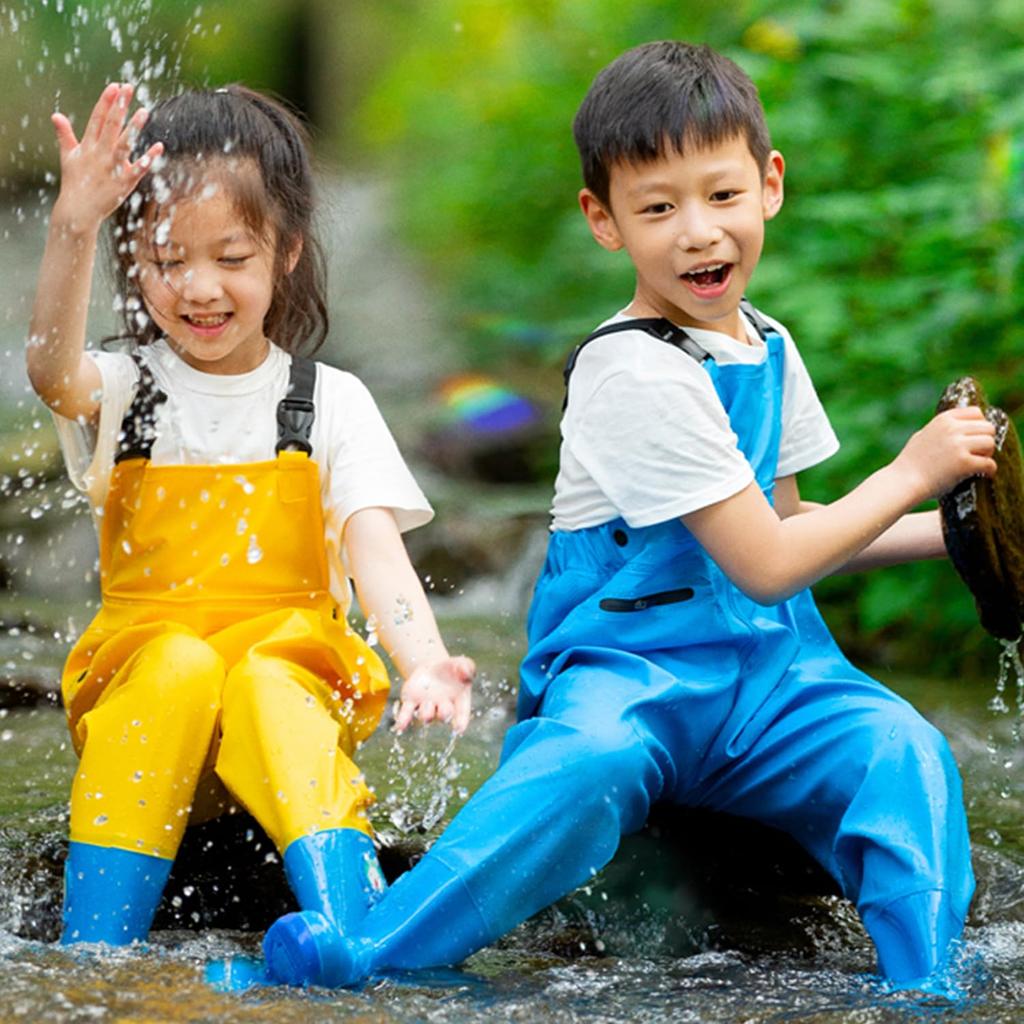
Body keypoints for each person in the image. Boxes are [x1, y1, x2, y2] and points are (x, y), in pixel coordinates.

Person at [256, 41, 997, 991]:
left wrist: (951, 536)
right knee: (588, 762)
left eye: (722, 196)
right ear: (603, 221)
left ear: (769, 185)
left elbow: (795, 523)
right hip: (628, 670)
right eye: (658, 208)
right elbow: (768, 559)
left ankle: (926, 985)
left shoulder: (767, 343)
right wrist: (911, 471)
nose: (699, 233)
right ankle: (377, 946)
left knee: (907, 752)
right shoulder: (631, 368)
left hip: (774, 673)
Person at [26, 82, 475, 948]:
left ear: (286, 252)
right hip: (152, 702)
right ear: (133, 258)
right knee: (182, 665)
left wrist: (422, 660)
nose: (200, 288)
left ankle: (354, 931)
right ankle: (95, 950)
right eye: (167, 260)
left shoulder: (326, 401)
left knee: (267, 679)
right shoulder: (128, 390)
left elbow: (374, 549)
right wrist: (72, 225)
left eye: (232, 258)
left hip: (287, 702)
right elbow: (52, 372)